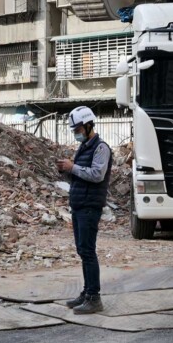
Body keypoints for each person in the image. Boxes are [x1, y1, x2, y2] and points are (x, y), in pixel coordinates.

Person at [57, 106, 112, 314]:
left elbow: (97, 174)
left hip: (90, 206)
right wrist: (66, 171)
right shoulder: (84, 148)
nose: (76, 132)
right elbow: (80, 175)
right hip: (79, 205)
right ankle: (87, 292)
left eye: (78, 128)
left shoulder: (101, 148)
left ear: (88, 125)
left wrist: (73, 168)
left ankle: (94, 297)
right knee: (82, 250)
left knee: (88, 252)